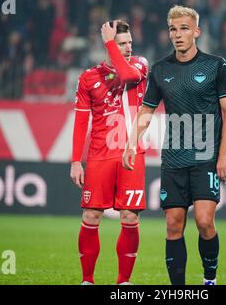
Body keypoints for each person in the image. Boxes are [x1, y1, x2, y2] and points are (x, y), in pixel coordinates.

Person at [122, 5, 226, 285]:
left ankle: (210, 279)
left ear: (196, 31)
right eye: (173, 29)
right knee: (173, 225)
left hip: (206, 155)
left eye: (184, 28)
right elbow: (147, 110)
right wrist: (130, 142)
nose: (178, 34)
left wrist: (224, 155)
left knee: (204, 221)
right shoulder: (161, 70)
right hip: (173, 157)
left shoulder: (216, 65)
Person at [70, 20, 148, 285]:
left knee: (129, 216)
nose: (127, 48)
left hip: (131, 153)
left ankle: (123, 282)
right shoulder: (88, 77)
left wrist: (109, 43)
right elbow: (81, 122)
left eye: (129, 43)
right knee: (91, 215)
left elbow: (125, 76)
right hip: (99, 156)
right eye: (121, 43)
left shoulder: (140, 65)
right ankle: (87, 280)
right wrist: (75, 161)